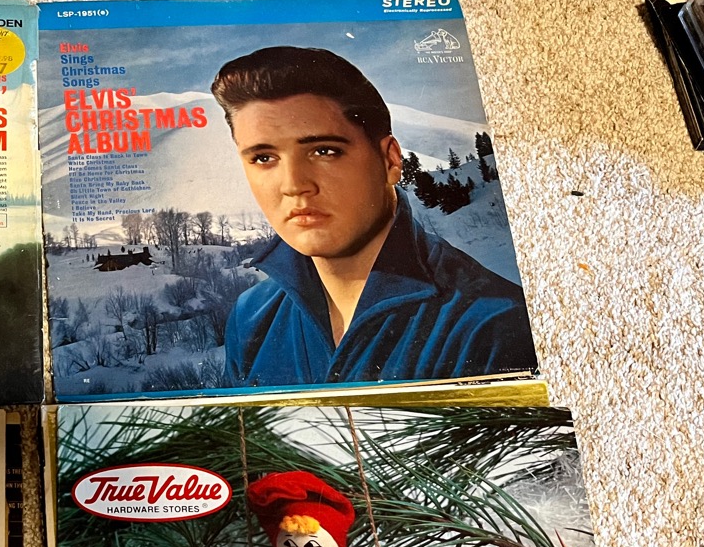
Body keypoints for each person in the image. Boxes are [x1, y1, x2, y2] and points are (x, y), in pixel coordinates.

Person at [210, 47, 537, 389]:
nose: (294, 185)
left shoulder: (493, 323)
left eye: (324, 151)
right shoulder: (251, 317)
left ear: (390, 160)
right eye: (263, 158)